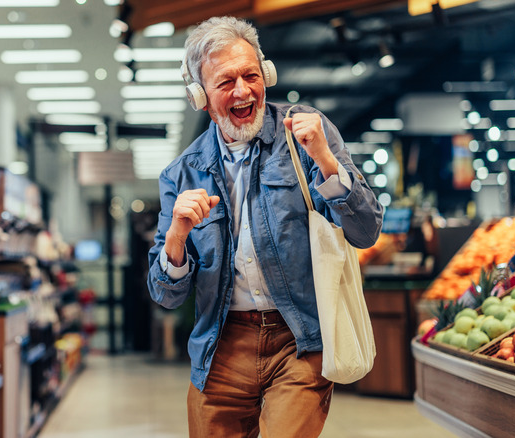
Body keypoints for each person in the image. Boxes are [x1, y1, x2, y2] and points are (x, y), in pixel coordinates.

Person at [146, 16, 384, 438]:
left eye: (251, 76)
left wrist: (326, 161)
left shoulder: (306, 132)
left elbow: (366, 232)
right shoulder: (181, 174)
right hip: (220, 350)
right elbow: (166, 294)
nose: (243, 91)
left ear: (266, 75)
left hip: (299, 339)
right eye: (225, 82)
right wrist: (177, 235)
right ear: (200, 96)